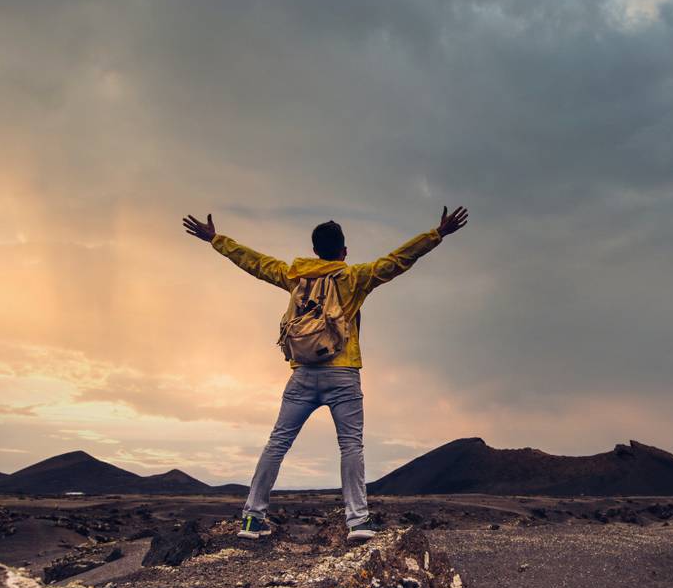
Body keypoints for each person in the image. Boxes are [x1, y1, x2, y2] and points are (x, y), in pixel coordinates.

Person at [182, 206, 469, 541]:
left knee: (277, 443)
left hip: (302, 372)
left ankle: (251, 519)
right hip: (342, 372)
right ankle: (358, 523)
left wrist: (216, 239)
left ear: (314, 251)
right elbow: (397, 260)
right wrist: (437, 234)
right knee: (350, 445)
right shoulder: (354, 276)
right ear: (343, 251)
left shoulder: (294, 275)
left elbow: (255, 262)